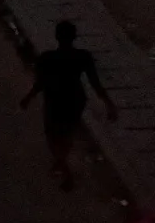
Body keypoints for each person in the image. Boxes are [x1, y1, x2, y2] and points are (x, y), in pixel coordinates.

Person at [21, 20, 118, 189]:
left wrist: (29, 97)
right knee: (68, 132)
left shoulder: (47, 58)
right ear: (74, 37)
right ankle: (62, 163)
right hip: (75, 98)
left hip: (55, 99)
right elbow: (95, 82)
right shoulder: (83, 56)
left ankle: (63, 166)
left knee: (52, 134)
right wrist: (109, 103)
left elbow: (41, 82)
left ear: (57, 36)